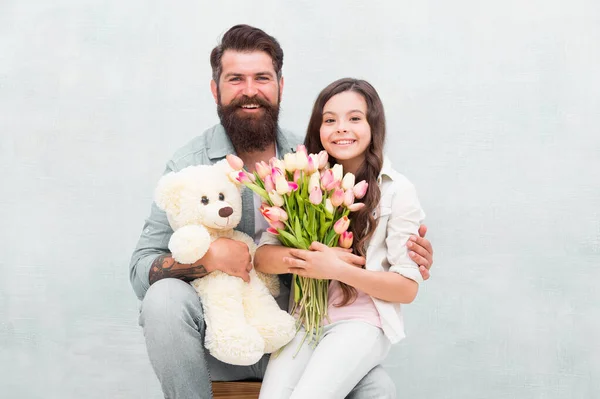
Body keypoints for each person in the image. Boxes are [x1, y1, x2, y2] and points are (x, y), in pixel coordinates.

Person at [129, 25, 434, 399]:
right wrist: (208, 258)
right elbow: (141, 270)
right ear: (215, 89)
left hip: (306, 324)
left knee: (379, 389)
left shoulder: (312, 158)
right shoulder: (188, 165)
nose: (250, 90)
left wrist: (405, 253)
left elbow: (372, 221)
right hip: (225, 334)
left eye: (262, 78)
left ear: (280, 85)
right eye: (235, 79)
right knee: (163, 301)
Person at [255, 78, 426, 398]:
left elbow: (407, 288)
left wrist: (336, 269)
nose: (341, 128)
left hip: (362, 323)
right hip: (304, 320)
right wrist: (308, 261)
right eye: (330, 120)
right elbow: (263, 257)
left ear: (374, 125)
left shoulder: (397, 190)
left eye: (355, 118)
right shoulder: (300, 183)